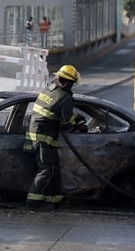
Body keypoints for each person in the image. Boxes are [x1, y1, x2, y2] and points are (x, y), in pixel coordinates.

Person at [24, 64, 84, 210]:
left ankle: (56, 199)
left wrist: (73, 117)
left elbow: (52, 111)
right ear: (69, 83)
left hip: (33, 136)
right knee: (46, 170)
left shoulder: (48, 90)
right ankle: (33, 201)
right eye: (72, 83)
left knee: (54, 169)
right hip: (44, 140)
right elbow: (65, 125)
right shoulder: (66, 98)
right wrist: (77, 125)